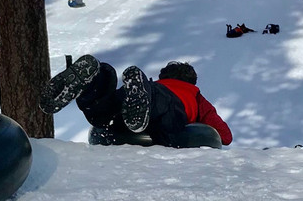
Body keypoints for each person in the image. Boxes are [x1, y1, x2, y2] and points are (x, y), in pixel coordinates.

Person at [40, 56, 232, 147]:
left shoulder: (142, 88)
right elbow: (224, 135)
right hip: (161, 109)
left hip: (135, 101)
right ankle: (139, 114)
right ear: (191, 82)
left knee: (103, 112)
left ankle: (94, 84)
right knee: (159, 107)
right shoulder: (195, 95)